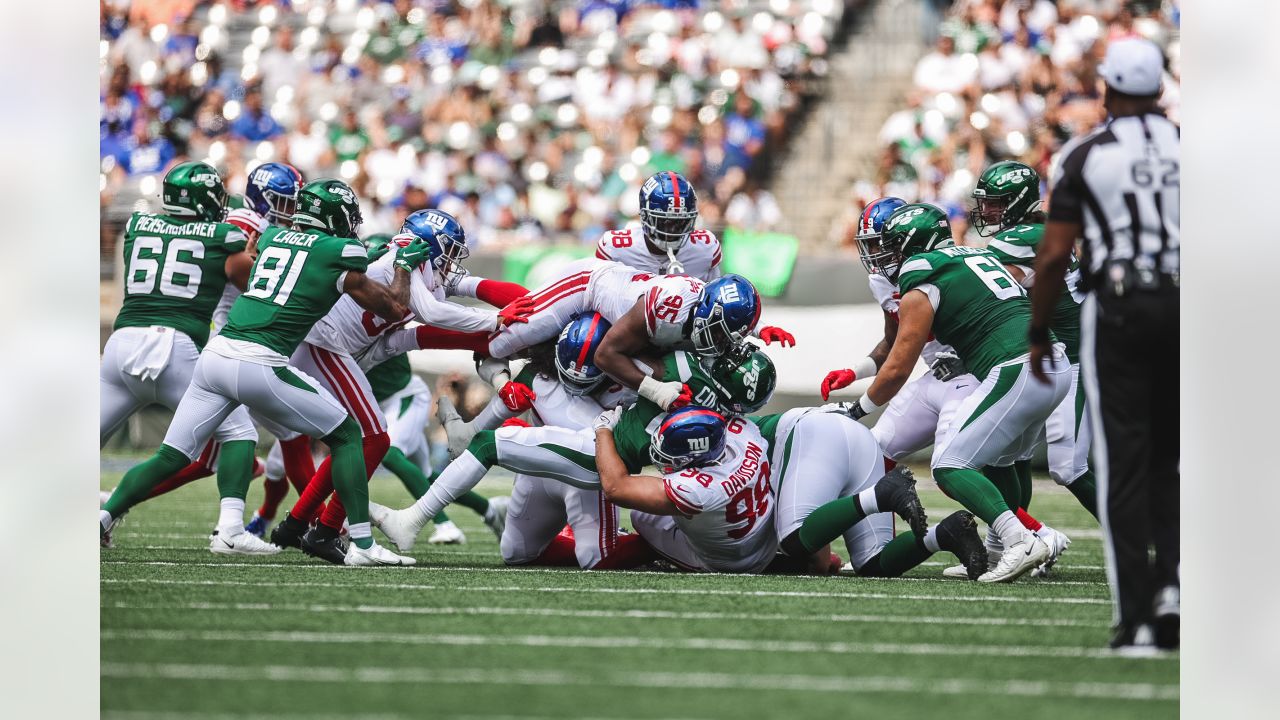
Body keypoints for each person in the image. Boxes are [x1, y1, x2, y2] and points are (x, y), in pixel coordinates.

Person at [100, 179, 418, 566]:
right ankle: (363, 547)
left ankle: (104, 517)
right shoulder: (342, 250)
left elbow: (262, 259)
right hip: (260, 361)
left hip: (214, 356)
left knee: (172, 454)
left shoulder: (273, 238)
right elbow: (395, 310)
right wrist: (402, 265)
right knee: (349, 435)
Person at [1028, 37, 1180, 651]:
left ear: (1109, 90)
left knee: (1122, 462)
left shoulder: (1085, 154)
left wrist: (1038, 330)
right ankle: (1176, 588)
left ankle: (1137, 616)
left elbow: (1056, 251)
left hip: (1120, 305)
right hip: (1191, 300)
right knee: (1175, 457)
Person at [848, 202, 1072, 583]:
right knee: (1000, 461)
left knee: (950, 465)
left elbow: (900, 364)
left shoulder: (922, 271)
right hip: (1053, 361)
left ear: (917, 244)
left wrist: (858, 408)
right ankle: (1001, 549)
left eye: (896, 246)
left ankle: (1023, 538)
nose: (890, 255)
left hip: (1014, 366)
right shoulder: (972, 255)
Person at [98, 162, 260, 550]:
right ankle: (231, 531)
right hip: (175, 349)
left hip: (121, 345)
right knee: (239, 433)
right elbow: (251, 283)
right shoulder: (225, 235)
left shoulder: (138, 224)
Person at [595, 406, 778, 574]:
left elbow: (615, 488)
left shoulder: (699, 489)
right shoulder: (744, 431)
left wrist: (603, 429)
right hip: (765, 538)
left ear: (696, 460)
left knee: (641, 516)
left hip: (734, 563)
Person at [594, 171, 723, 281]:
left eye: (681, 222)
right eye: (665, 222)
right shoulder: (616, 250)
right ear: (644, 216)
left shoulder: (705, 249)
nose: (673, 230)